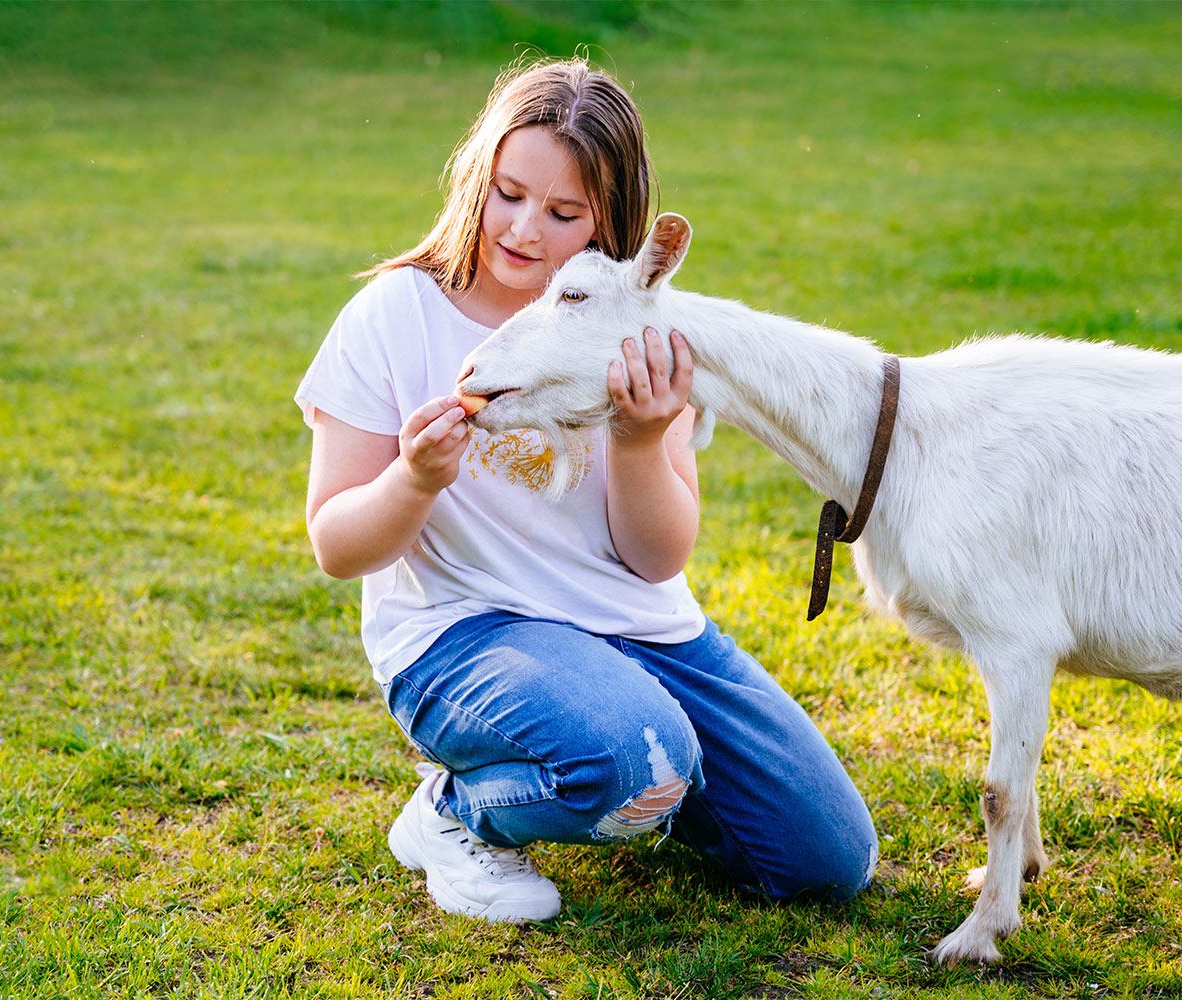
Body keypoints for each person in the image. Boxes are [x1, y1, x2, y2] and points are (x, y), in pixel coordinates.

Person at [296, 58, 876, 923]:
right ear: (475, 178)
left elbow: (656, 557)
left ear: (613, 223)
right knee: (637, 759)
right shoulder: (395, 316)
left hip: (647, 634)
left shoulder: (636, 329)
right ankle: (458, 815)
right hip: (465, 635)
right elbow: (337, 546)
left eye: (564, 214)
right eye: (509, 194)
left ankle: (618, 775)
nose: (526, 229)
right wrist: (415, 480)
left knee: (828, 860)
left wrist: (641, 439)